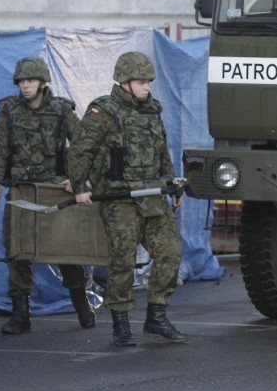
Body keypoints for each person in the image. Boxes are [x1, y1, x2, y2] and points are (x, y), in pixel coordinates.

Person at [67, 51, 187, 346]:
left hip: (154, 196)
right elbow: (80, 151)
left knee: (170, 254)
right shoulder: (102, 112)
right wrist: (80, 186)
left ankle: (156, 317)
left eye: (148, 81)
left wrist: (173, 186)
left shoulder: (152, 109)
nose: (147, 87)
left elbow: (162, 152)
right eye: (141, 81)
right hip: (119, 198)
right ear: (124, 82)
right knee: (122, 262)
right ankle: (120, 323)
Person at [0, 56, 95, 335]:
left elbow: (82, 144)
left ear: (43, 82)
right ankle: (21, 314)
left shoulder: (61, 109)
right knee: (17, 250)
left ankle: (81, 303)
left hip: (55, 188)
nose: (26, 86)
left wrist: (78, 177)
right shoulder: (9, 111)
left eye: (31, 80)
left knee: (66, 249)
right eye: (22, 81)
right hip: (22, 188)